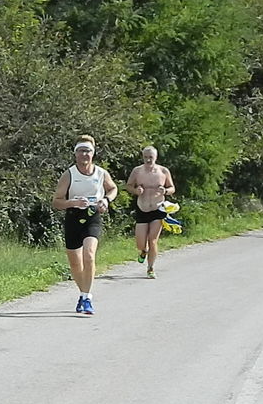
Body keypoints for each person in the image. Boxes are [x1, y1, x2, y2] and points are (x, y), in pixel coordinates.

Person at [52, 134, 117, 314]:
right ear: (75, 154)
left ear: (93, 153)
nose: (84, 155)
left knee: (89, 255)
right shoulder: (69, 175)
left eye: (88, 151)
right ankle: (82, 293)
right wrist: (73, 203)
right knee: (75, 263)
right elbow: (56, 202)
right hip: (73, 217)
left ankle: (87, 298)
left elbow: (113, 188)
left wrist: (106, 200)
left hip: (92, 216)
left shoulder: (101, 173)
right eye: (81, 151)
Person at [126, 146, 176, 279]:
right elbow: (129, 186)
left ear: (156, 157)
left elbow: (172, 188)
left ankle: (151, 268)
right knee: (140, 242)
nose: (148, 160)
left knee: (153, 240)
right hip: (142, 208)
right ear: (142, 157)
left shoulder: (163, 171)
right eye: (146, 157)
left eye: (151, 157)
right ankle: (143, 251)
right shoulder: (137, 171)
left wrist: (165, 191)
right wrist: (136, 191)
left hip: (158, 208)